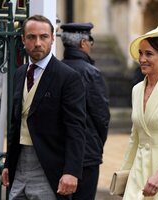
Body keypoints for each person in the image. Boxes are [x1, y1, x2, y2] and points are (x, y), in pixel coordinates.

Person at [1, 15, 87, 200]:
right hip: (20, 164)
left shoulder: (67, 77)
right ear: (23, 40)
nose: (38, 43)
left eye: (43, 37)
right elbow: (16, 123)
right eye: (31, 37)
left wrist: (71, 171)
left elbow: (76, 128)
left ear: (52, 38)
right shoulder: (19, 73)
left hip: (49, 165)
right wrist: (9, 162)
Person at [120, 4, 158, 200]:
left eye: (149, 54)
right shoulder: (136, 90)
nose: (142, 59)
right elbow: (134, 138)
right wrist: (123, 174)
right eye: (141, 54)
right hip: (138, 174)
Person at [60, 22, 110, 200]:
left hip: (58, 152)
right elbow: (102, 117)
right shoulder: (91, 72)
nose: (90, 45)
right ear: (83, 43)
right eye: (90, 41)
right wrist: (97, 146)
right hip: (87, 154)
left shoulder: (56, 70)